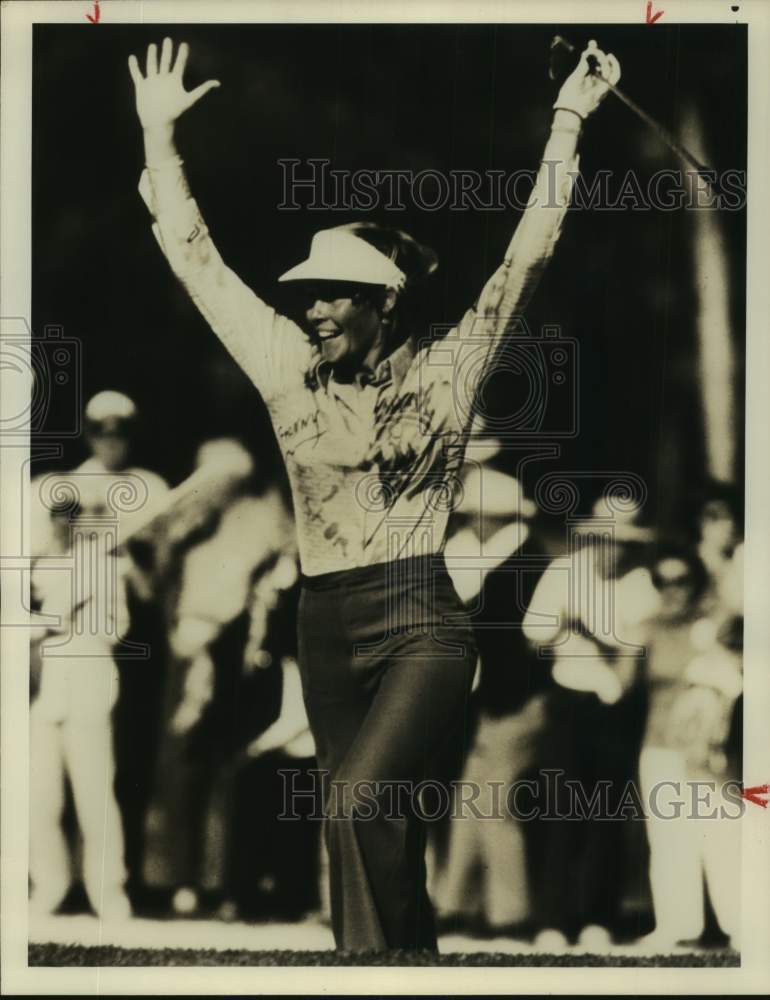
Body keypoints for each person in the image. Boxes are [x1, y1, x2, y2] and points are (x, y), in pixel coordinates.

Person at [128, 36, 621, 952]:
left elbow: (529, 253)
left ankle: (367, 968)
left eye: (333, 294)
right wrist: (161, 139)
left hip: (420, 614)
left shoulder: (447, 372)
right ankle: (408, 961)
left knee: (361, 801)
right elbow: (197, 262)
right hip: (323, 617)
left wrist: (570, 116)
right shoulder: (284, 365)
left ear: (383, 300)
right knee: (359, 821)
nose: (312, 307)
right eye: (308, 293)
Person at [522, 491, 660, 950]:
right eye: (606, 540)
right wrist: (571, 632)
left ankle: (598, 918)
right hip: (567, 701)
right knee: (559, 812)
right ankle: (553, 921)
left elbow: (631, 662)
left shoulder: (640, 583)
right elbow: (535, 638)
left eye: (621, 542)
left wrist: (588, 632)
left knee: (606, 814)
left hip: (615, 709)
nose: (612, 549)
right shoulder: (564, 572)